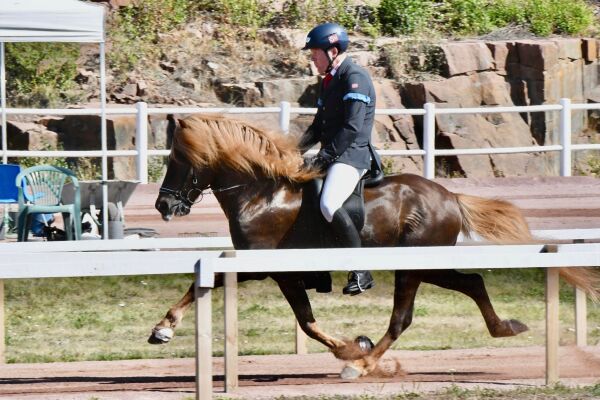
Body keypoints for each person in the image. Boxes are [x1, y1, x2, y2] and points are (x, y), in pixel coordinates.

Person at [299, 22, 382, 296]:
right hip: (334, 154)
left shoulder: (354, 76)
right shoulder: (329, 81)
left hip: (351, 156)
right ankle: (320, 272)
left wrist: (324, 157)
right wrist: (292, 151)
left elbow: (353, 127)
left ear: (332, 51)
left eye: (315, 52)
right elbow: (317, 126)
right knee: (302, 196)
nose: (312, 57)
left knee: (328, 203)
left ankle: (361, 270)